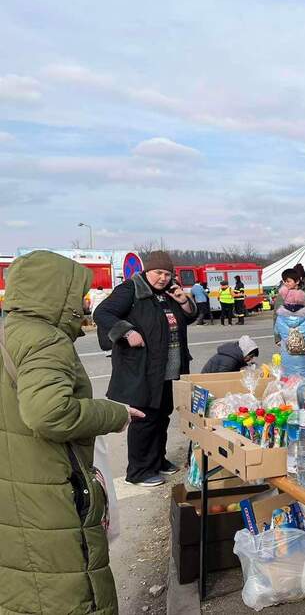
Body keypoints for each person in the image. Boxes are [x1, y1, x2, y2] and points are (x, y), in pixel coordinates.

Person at [0, 251, 140, 614]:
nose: (84, 302)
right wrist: (114, 413)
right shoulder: (45, 340)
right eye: (79, 293)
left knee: (26, 588)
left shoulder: (9, 331)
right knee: (70, 588)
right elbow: (49, 413)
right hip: (51, 488)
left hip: (17, 483)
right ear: (56, 293)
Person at [94, 250, 197, 487]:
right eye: (158, 273)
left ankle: (157, 460)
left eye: (167, 273)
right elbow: (102, 313)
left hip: (169, 367)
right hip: (142, 367)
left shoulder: (169, 293)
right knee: (145, 417)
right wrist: (127, 332)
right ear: (147, 271)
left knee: (162, 415)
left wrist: (183, 300)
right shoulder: (131, 289)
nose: (163, 278)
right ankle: (139, 471)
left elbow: (190, 317)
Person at [275, 289, 305, 376]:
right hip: (304, 353)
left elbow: (276, 331)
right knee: (303, 378)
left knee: (288, 380)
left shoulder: (280, 317)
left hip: (287, 352)